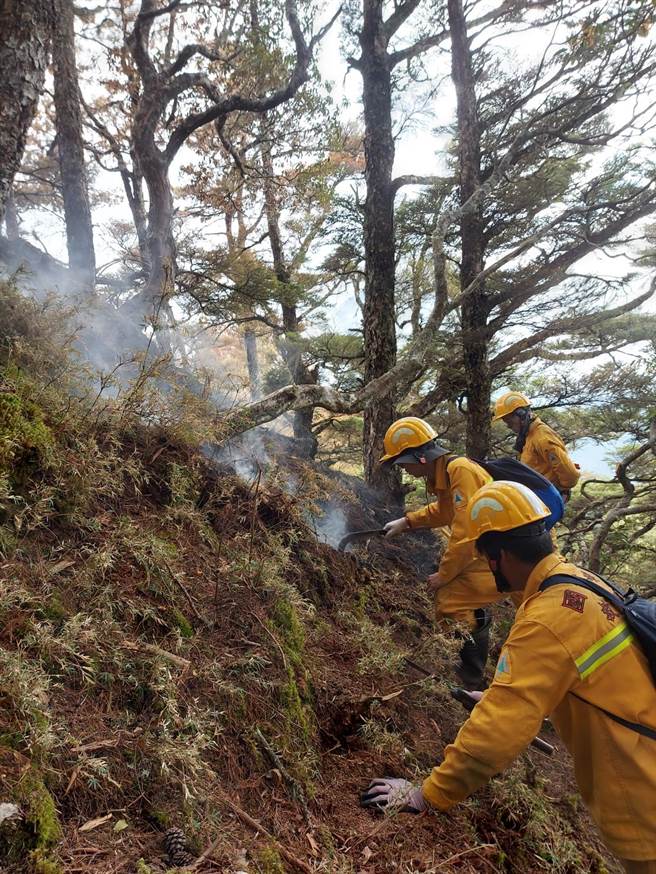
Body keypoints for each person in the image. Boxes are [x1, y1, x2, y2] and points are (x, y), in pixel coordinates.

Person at [362, 481, 656, 874]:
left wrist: (426, 796)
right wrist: (506, 697)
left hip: (641, 795)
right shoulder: (581, 582)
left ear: (498, 555)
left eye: (484, 557)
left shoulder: (547, 620)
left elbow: (497, 733)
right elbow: (599, 681)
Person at [380, 417, 522, 690]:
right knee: (530, 611)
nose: (404, 470)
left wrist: (444, 575)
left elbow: (465, 535)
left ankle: (469, 679)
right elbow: (446, 511)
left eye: (403, 462)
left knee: (451, 601)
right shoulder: (445, 473)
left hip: (512, 553)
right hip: (501, 549)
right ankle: (473, 674)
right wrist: (407, 522)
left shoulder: (459, 471)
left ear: (420, 457)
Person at [492, 391, 580, 500]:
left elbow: (570, 475)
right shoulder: (528, 436)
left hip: (547, 498)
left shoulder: (542, 437)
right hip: (536, 497)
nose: (508, 425)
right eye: (505, 421)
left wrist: (559, 490)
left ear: (522, 414)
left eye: (509, 420)